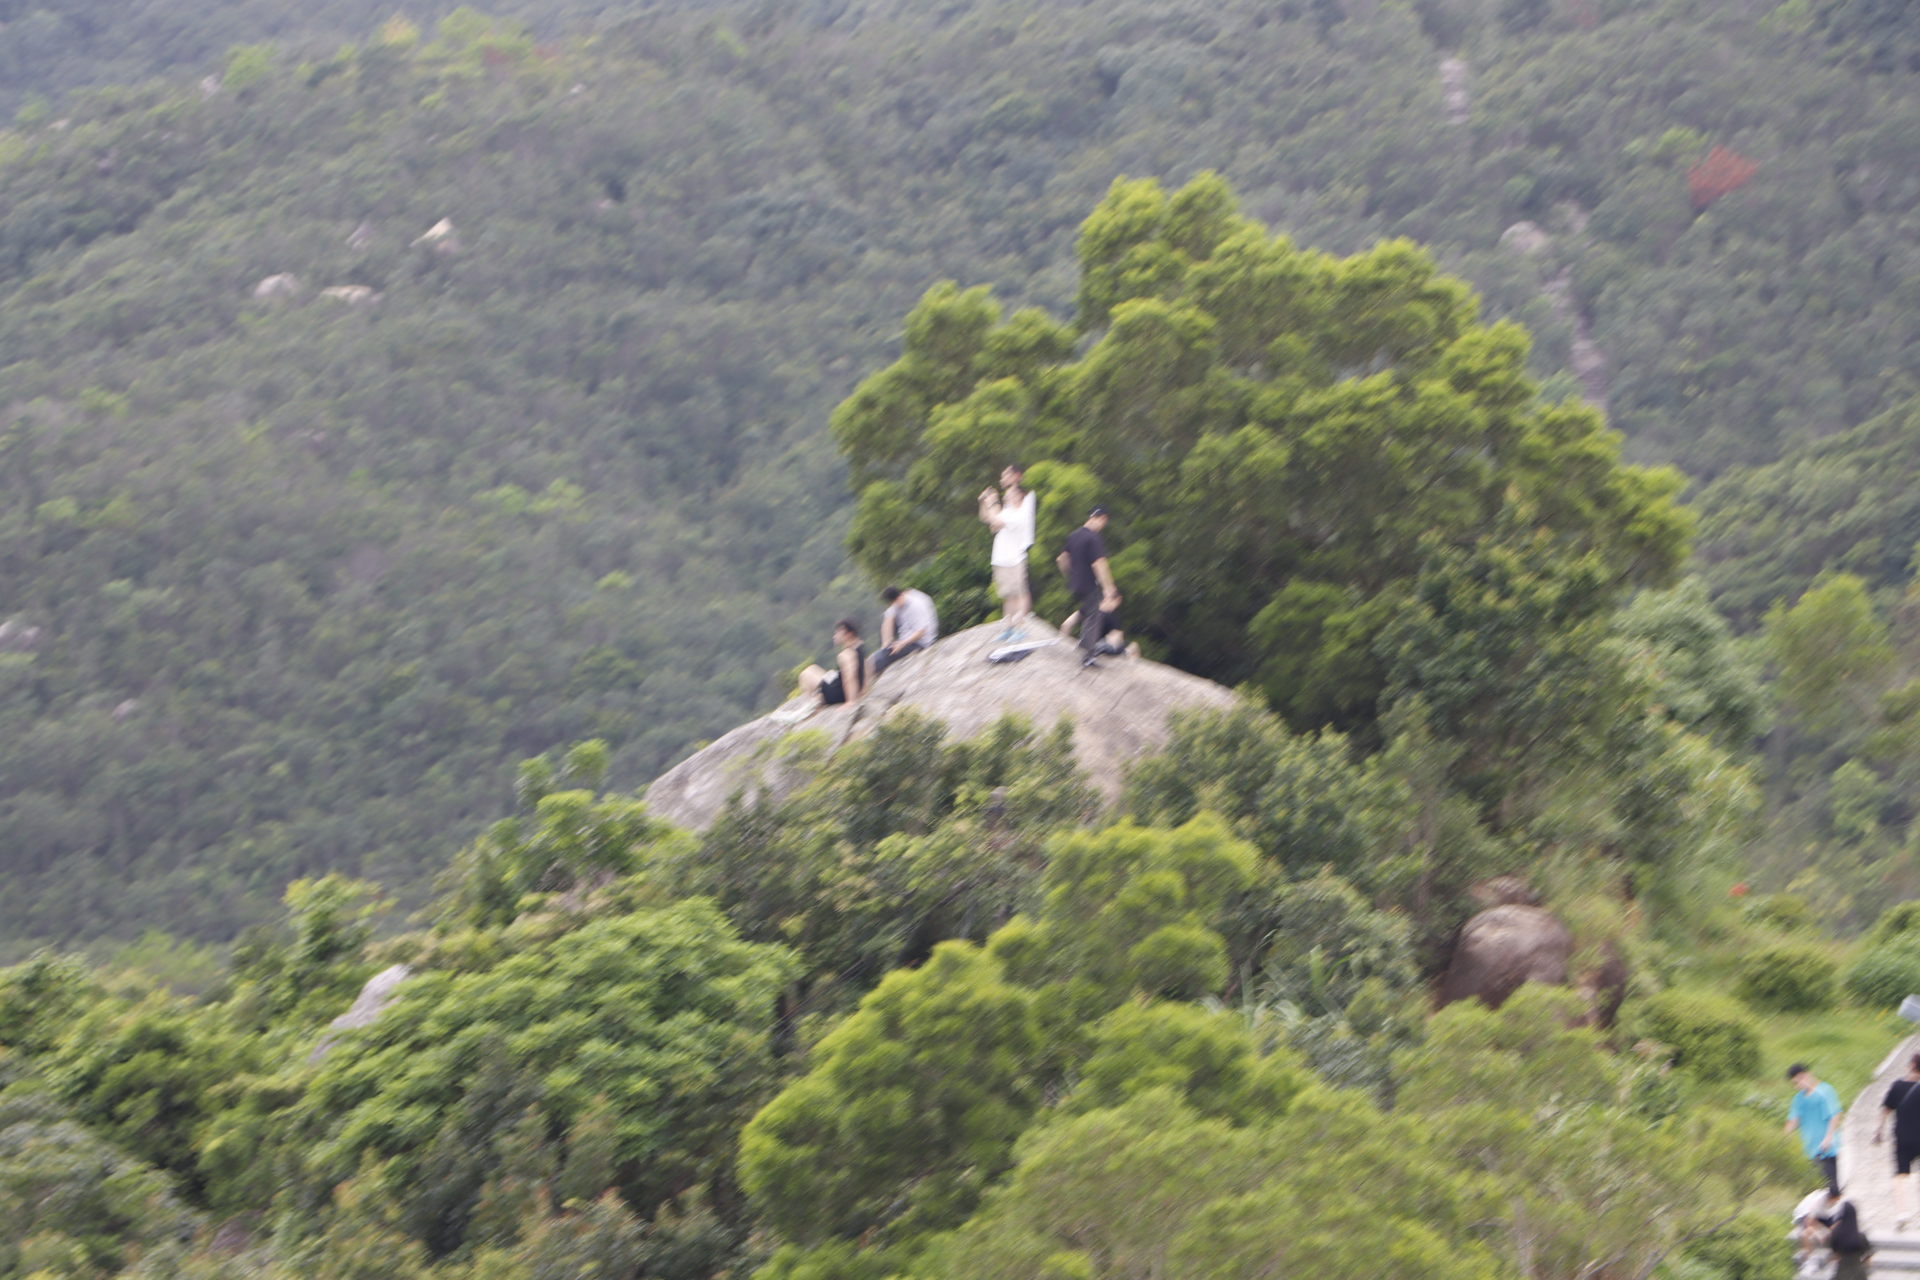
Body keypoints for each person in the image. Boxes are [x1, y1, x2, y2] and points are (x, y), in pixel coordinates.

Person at [1058, 506, 1121, 668]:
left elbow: (1061, 559)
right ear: (1101, 518)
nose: (1102, 527)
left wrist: (1071, 574)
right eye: (1103, 522)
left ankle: (1083, 645)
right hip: (1088, 583)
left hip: (1075, 584)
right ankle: (1088, 655)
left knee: (1089, 611)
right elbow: (1099, 564)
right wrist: (1108, 587)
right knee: (1094, 617)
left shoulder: (1074, 535)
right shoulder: (1093, 539)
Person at [979, 464, 1036, 641]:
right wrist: (983, 502)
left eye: (1010, 494)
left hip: (1015, 558)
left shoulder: (1021, 513)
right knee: (1008, 595)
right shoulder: (1009, 511)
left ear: (1019, 495)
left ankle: (1020, 627)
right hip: (1001, 558)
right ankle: (1009, 626)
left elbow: (996, 519)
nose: (1007, 496)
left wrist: (993, 501)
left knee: (1019, 593)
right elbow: (988, 519)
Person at [1786, 1063, 1845, 1196]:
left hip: (1827, 1148)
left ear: (1808, 1074)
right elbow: (1793, 1119)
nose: (1800, 1083)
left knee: (1832, 1188)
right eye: (1796, 1082)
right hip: (1810, 1149)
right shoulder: (1798, 1099)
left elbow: (1835, 1115)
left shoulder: (1824, 1091)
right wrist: (1784, 1140)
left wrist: (1828, 1137)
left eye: (1802, 1078)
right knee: (1817, 1191)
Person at [1877, 1054, 1920, 1227]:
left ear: (1911, 1065)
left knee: (1899, 1176)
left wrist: (1878, 1131)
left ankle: (1902, 1213)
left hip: (1902, 1138)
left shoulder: (1897, 1086)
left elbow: (1885, 1111)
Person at [871, 585, 938, 679]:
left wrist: (902, 644)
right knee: (886, 649)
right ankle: (868, 664)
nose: (892, 607)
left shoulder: (915, 606)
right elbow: (887, 620)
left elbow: (921, 631)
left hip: (919, 642)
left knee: (887, 654)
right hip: (906, 638)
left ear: (898, 598)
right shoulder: (898, 602)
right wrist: (885, 644)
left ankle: (866, 669)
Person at [799, 619, 867, 707]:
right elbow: (866, 669)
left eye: (838, 633)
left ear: (848, 635)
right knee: (813, 668)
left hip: (838, 692)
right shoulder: (858, 647)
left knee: (806, 674)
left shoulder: (846, 654)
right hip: (839, 685)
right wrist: (861, 690)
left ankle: (808, 706)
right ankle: (815, 701)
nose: (834, 636)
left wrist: (850, 701)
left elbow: (850, 677)